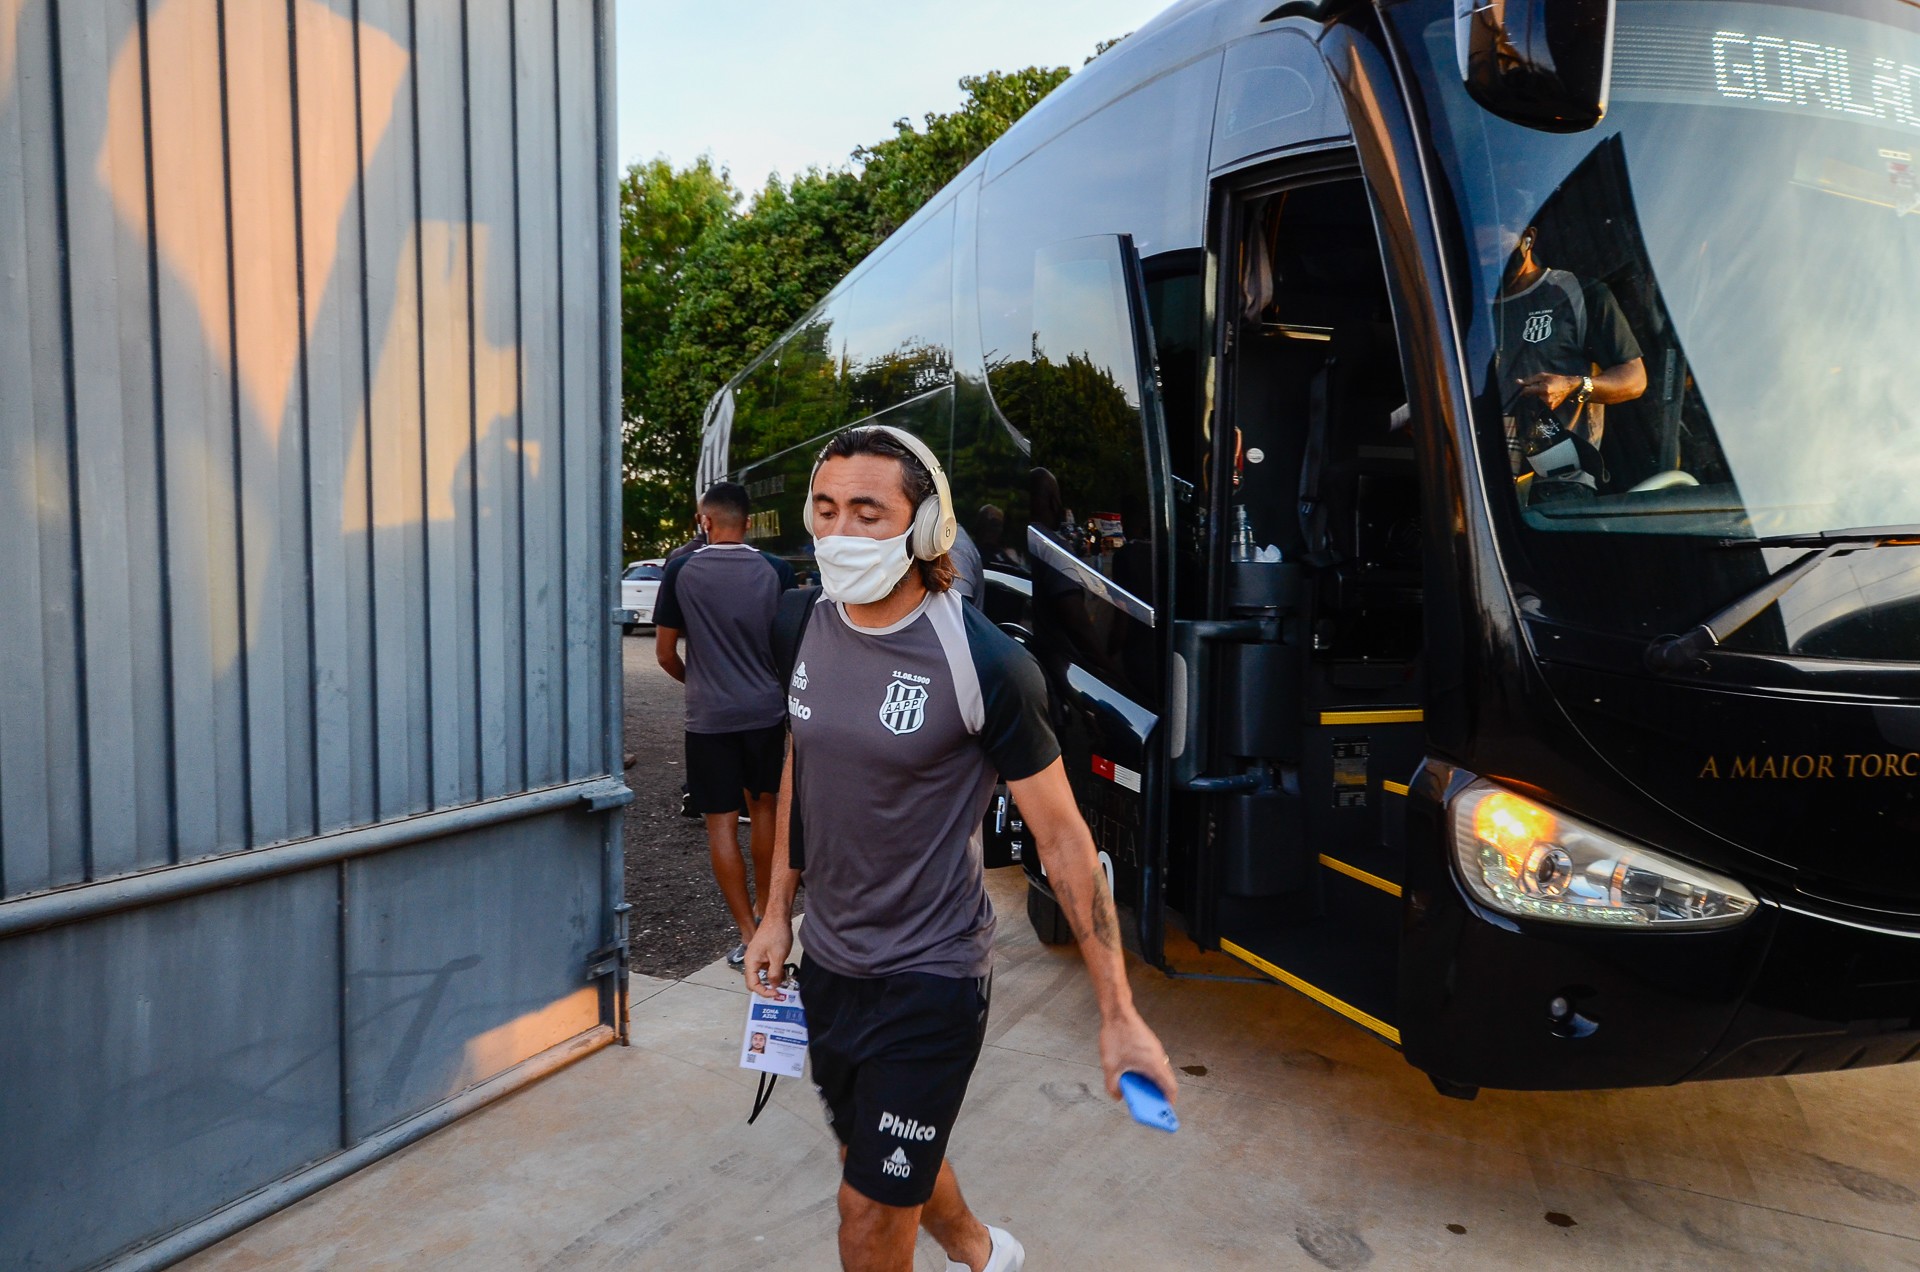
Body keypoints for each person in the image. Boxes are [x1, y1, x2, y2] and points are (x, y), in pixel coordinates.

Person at [745, 425, 1178, 1272]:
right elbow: (804, 758)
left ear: (928, 527)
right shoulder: (802, 620)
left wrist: (1119, 1012)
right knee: (870, 1155)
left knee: (865, 1214)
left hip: (931, 976)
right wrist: (774, 915)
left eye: (869, 512)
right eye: (826, 510)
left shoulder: (986, 663)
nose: (840, 533)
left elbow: (1063, 843)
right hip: (831, 964)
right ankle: (982, 1251)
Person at [655, 481, 795, 968]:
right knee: (765, 812)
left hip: (709, 718)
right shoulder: (778, 571)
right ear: (749, 523)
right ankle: (769, 909)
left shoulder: (680, 570)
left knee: (719, 826)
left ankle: (748, 931)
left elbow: (665, 654)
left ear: (704, 521)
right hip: (766, 712)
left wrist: (701, 683)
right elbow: (787, 646)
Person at [1496, 223, 1647, 490]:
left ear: (1528, 238)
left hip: (1560, 480)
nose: (1489, 262)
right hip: (1486, 471)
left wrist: (1573, 386)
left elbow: (1634, 379)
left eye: (1495, 250)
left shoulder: (1579, 293)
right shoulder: (1468, 309)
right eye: (1480, 255)